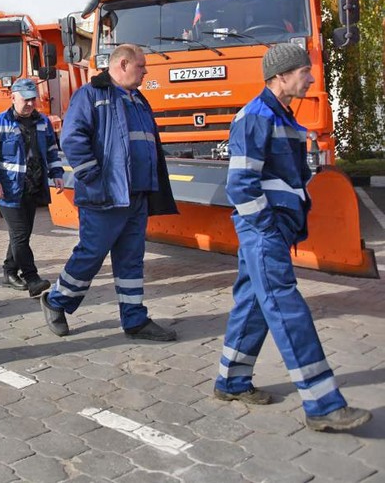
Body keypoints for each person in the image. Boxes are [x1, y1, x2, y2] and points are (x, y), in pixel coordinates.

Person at [213, 43, 371, 432]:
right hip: (264, 230)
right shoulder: (255, 116)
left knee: (253, 301)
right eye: (304, 71)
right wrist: (266, 227)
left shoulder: (280, 116)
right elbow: (240, 184)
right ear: (281, 76)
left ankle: (231, 380)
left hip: (273, 228)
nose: (311, 77)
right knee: (285, 307)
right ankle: (323, 404)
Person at [40, 45, 177, 341]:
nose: (145, 72)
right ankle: (55, 301)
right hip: (104, 196)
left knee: (131, 259)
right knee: (91, 254)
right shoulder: (91, 95)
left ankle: (134, 319)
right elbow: (72, 138)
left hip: (136, 196)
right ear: (124, 64)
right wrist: (93, 177)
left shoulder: (138, 100)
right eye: (142, 67)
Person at [0, 78, 65, 298]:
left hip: (32, 187)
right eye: (25, 99)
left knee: (22, 234)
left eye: (32, 99)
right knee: (19, 234)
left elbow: (53, 151)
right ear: (13, 97)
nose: (29, 104)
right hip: (7, 189)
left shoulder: (43, 122)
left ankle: (9, 271)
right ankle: (32, 277)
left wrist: (57, 174)